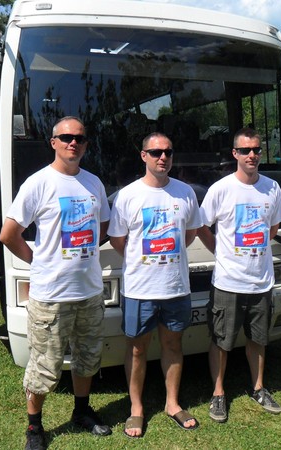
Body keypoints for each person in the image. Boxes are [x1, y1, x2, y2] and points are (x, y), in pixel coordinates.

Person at [0, 116, 112, 450]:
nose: (72, 142)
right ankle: (34, 427)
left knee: (87, 359)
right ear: (53, 143)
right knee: (44, 367)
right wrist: (38, 261)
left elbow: (103, 226)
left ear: (86, 144)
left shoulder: (94, 183)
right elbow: (9, 233)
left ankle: (82, 411)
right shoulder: (38, 183)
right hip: (51, 296)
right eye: (65, 137)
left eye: (79, 138)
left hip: (90, 292)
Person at [108, 132, 202, 438]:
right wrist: (140, 258)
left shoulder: (185, 193)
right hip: (140, 289)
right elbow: (119, 239)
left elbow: (189, 234)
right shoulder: (128, 195)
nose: (163, 157)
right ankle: (136, 408)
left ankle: (172, 403)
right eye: (156, 152)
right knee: (137, 349)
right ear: (143, 156)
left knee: (173, 345)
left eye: (168, 152)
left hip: (176, 286)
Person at [198, 128, 281, 423]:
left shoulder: (272, 188)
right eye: (246, 150)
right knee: (221, 340)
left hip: (261, 281)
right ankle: (218, 393)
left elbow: (272, 228)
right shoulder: (221, 189)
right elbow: (201, 225)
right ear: (235, 153)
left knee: (258, 339)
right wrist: (219, 251)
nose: (252, 155)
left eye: (256, 150)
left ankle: (258, 388)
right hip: (228, 282)